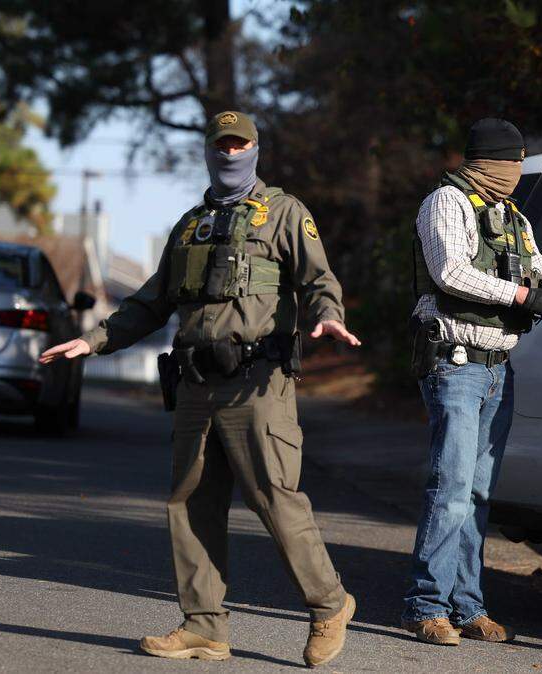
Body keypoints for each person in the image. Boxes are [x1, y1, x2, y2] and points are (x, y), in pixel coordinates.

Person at [39, 111, 361, 668]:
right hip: (195, 384)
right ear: (208, 151)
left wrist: (327, 315)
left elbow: (318, 280)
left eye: (240, 144)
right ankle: (204, 627)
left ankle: (329, 605)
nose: (230, 153)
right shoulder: (190, 226)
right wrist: (92, 341)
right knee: (191, 502)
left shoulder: (285, 213)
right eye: (221, 145)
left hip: (258, 384)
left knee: (273, 497)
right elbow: (150, 302)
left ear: (256, 150)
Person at [402, 118, 542, 646]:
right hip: (455, 364)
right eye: (514, 161)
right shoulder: (446, 203)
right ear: (492, 160)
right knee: (451, 487)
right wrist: (524, 298)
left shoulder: (511, 215)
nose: (517, 172)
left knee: (477, 494)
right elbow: (450, 272)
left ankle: (467, 605)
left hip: (498, 369)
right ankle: (425, 605)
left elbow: (539, 268)